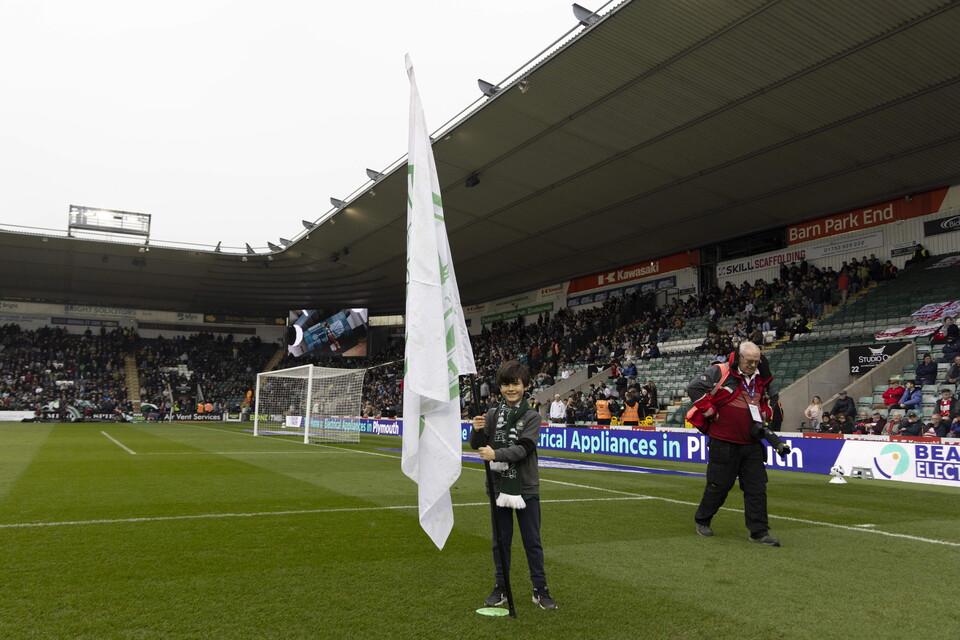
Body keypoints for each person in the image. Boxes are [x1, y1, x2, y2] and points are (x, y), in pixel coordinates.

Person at [470, 360, 557, 610]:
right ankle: (502, 588)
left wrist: (496, 455)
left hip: (526, 488)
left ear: (525, 385)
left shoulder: (531, 415)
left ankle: (540, 589)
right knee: (500, 542)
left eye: (515, 384)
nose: (511, 389)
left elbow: (525, 448)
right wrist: (476, 431)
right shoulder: (492, 414)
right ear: (500, 386)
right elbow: (477, 444)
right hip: (497, 488)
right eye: (506, 384)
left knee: (532, 542)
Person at [685, 341, 783, 547]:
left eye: (756, 361)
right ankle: (702, 519)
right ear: (739, 357)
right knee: (718, 486)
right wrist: (709, 411)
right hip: (724, 442)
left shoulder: (762, 378)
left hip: (752, 443)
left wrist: (765, 417)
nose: (753, 365)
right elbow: (694, 388)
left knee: (757, 488)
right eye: (749, 361)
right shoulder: (720, 371)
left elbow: (770, 401)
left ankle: (759, 532)